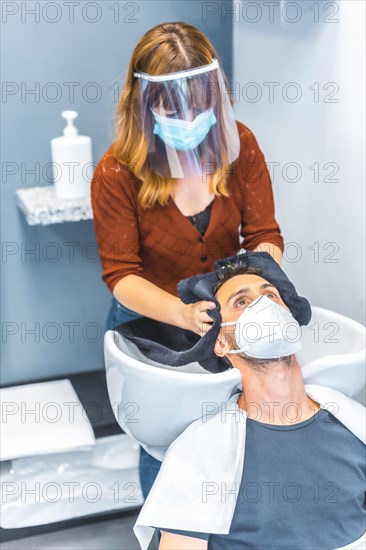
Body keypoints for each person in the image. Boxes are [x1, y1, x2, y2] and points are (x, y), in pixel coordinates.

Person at [90, 21, 284, 500]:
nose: (188, 117)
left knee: (225, 434)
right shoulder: (116, 173)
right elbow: (121, 274)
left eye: (199, 104)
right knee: (165, 441)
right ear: (143, 103)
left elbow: (263, 236)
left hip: (221, 322)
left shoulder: (241, 147)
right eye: (171, 107)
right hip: (149, 322)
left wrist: (251, 290)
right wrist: (182, 313)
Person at [133, 259, 366, 550]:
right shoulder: (201, 452)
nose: (263, 307)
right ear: (221, 342)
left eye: (270, 296)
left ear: (291, 321)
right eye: (242, 302)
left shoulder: (354, 425)